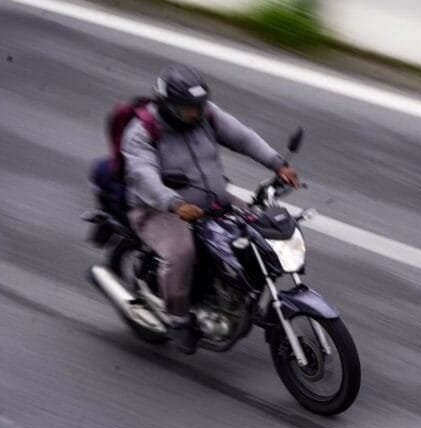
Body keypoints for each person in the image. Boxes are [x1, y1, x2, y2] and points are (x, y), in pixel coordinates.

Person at [120, 64, 299, 354]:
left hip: (211, 202)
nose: (196, 113)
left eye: (198, 106)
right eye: (187, 108)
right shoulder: (143, 132)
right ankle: (178, 319)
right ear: (168, 106)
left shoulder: (206, 115)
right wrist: (175, 203)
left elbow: (242, 136)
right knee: (182, 252)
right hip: (158, 209)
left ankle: (236, 293)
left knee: (263, 229)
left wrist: (278, 164)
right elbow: (144, 176)